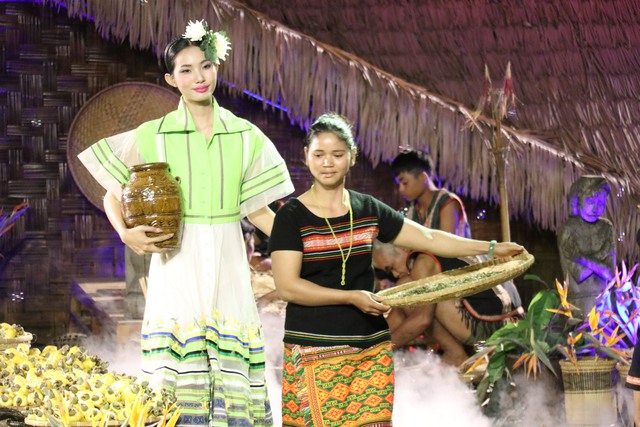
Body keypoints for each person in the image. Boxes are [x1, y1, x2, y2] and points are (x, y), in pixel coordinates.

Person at [78, 19, 293, 426]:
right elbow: (113, 192)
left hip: (229, 261)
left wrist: (309, 243)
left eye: (206, 65)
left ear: (217, 68)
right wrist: (125, 232)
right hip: (176, 264)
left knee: (232, 368)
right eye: (186, 69)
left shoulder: (245, 136)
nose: (199, 77)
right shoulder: (154, 134)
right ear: (171, 79)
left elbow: (259, 212)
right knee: (175, 378)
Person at [268, 113, 525, 426]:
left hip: (368, 350)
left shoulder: (369, 210)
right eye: (319, 154)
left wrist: (491, 248)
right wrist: (351, 297)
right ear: (306, 156)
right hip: (314, 349)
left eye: (337, 155)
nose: (327, 163)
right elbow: (288, 287)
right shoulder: (291, 216)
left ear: (351, 158)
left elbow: (429, 237)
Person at [372, 241, 523, 367]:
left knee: (406, 287)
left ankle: (455, 354)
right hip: (515, 320)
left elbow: (423, 319)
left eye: (390, 267)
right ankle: (369, 346)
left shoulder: (423, 261)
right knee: (407, 297)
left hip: (491, 325)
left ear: (401, 247)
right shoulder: (437, 245)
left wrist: (382, 349)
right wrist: (371, 344)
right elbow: (398, 315)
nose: (394, 274)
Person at [557, 175, 615, 314]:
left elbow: (610, 273)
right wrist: (602, 254)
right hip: (578, 303)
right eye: (590, 201)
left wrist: (580, 258)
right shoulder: (568, 228)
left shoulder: (606, 227)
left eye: (601, 203)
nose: (596, 208)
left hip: (605, 301)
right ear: (577, 200)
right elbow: (580, 274)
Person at [391, 149, 470, 238]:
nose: (401, 189)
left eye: (405, 182)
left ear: (423, 177)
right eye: (399, 184)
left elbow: (445, 247)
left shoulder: (447, 203)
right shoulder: (411, 210)